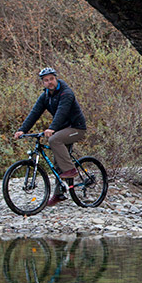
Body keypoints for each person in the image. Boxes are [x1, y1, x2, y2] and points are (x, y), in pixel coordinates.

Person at [14, 67, 87, 207]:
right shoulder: (46, 96)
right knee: (57, 161)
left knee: (54, 139)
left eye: (51, 79)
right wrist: (22, 130)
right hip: (62, 129)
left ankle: (71, 170)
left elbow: (62, 112)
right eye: (46, 80)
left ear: (56, 78)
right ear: (43, 83)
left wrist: (52, 128)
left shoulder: (66, 93)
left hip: (76, 128)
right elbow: (34, 113)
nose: (49, 83)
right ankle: (59, 194)